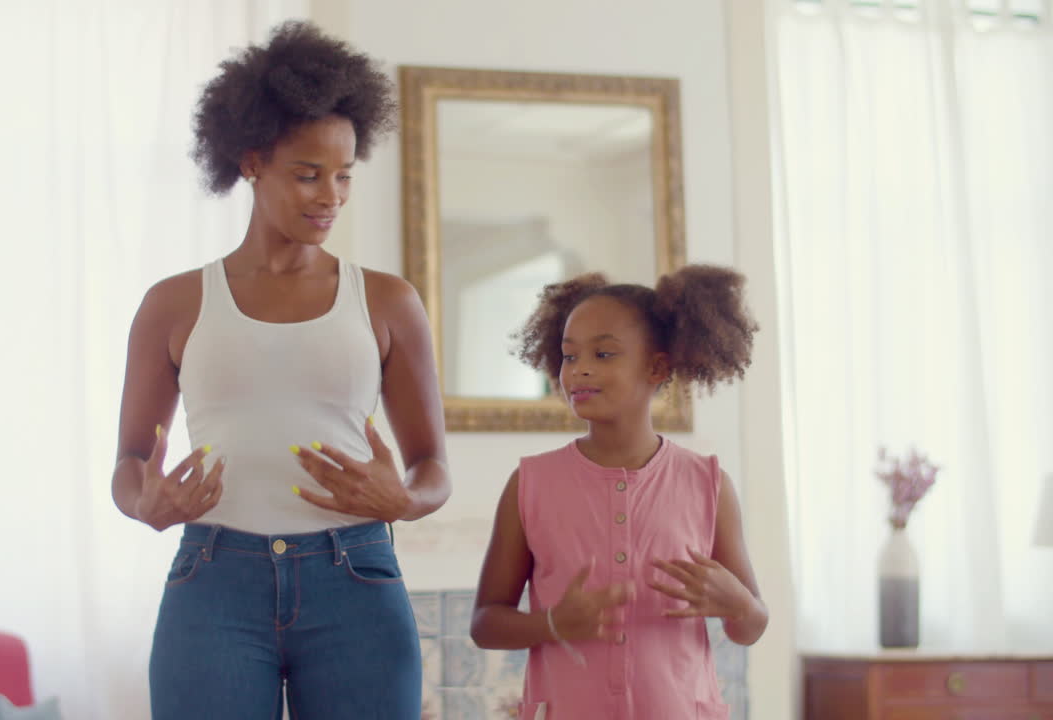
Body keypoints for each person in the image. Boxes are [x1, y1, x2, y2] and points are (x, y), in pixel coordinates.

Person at [110, 21, 449, 719]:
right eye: (307, 173)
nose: (331, 195)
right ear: (252, 162)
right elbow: (129, 463)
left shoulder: (389, 302)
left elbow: (432, 469)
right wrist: (146, 504)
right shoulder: (173, 304)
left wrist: (404, 501)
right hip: (214, 580)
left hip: (355, 578)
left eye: (344, 174)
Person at [470, 266, 768, 719]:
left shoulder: (708, 483)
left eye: (604, 354)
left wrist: (739, 605)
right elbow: (485, 623)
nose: (580, 369)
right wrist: (552, 624)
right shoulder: (530, 483)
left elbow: (751, 626)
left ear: (657, 367)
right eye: (570, 356)